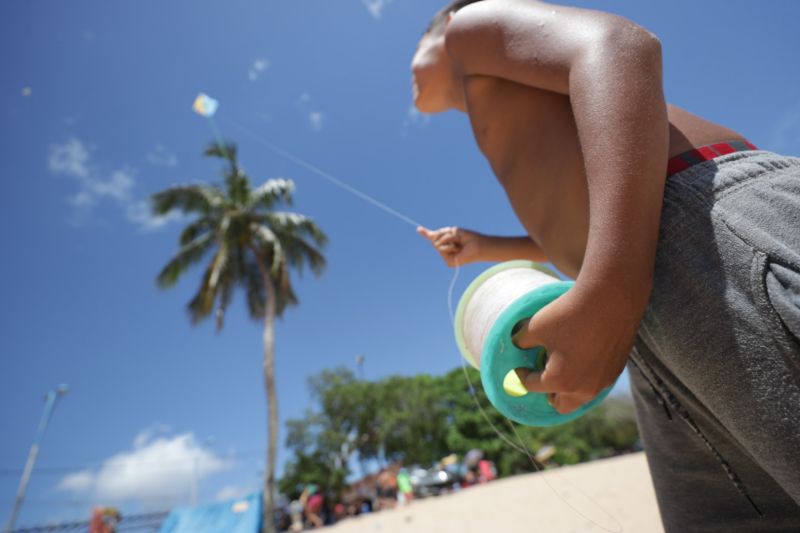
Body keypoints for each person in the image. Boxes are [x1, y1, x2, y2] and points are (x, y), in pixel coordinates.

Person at [411, 1, 800, 531]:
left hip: (697, 228)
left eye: (413, 48)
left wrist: (609, 293)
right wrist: (488, 246)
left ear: (441, 27)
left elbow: (620, 48)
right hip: (635, 288)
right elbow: (580, 229)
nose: (408, 72)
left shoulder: (467, 28)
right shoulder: (498, 104)